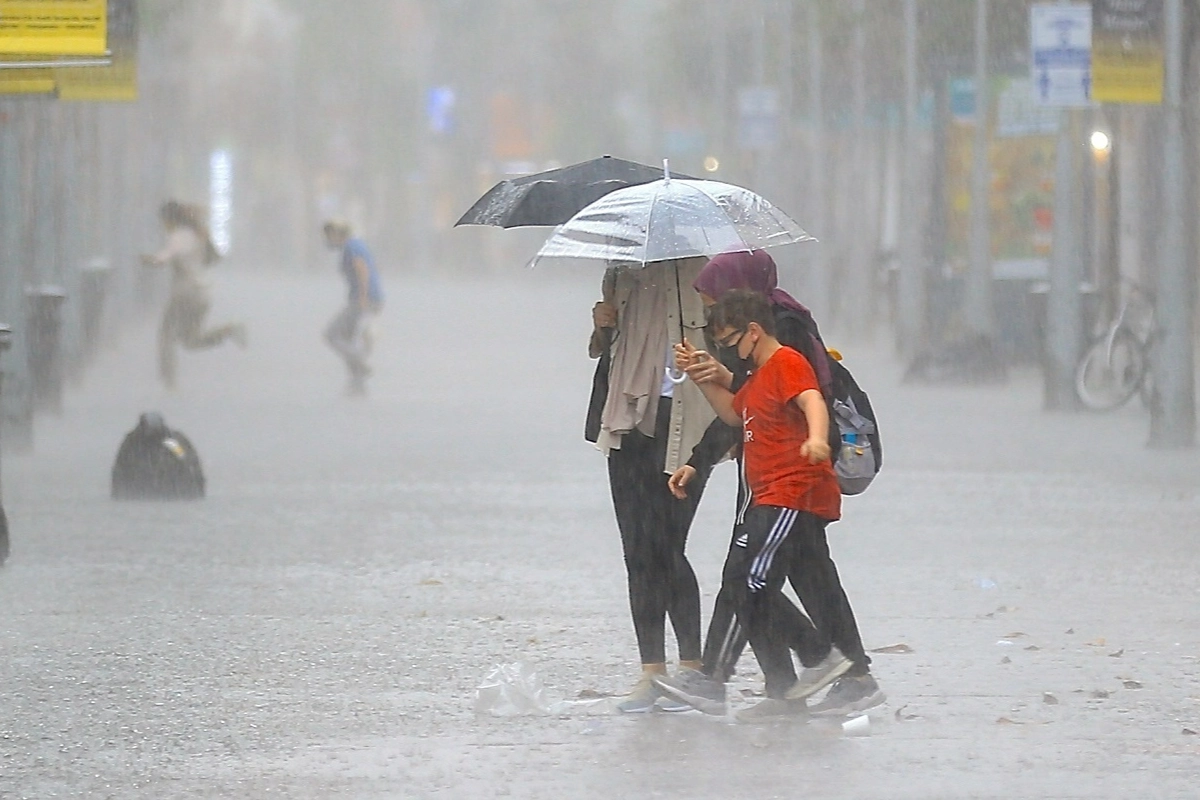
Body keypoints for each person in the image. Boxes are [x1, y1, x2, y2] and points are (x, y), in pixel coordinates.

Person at [656, 253, 883, 719]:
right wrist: (707, 391)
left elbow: (805, 398)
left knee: (746, 578)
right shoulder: (755, 349)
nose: (712, 321)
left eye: (715, 307)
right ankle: (808, 683)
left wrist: (817, 439)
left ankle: (789, 669)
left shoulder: (783, 340)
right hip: (774, 477)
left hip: (790, 479)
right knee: (805, 578)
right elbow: (740, 408)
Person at [586, 257, 716, 713]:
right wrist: (602, 325)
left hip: (686, 423)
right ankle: (651, 673)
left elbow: (729, 347)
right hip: (625, 420)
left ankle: (693, 668)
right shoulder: (619, 272)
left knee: (667, 546)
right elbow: (605, 350)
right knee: (637, 551)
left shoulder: (703, 273)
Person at [141, 200, 246, 389]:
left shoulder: (181, 235)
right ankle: (229, 330)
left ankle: (169, 381)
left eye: (163, 220)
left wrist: (147, 259)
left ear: (169, 219)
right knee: (190, 340)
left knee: (165, 336)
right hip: (201, 294)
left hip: (184, 294)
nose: (162, 225)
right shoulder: (197, 234)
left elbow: (165, 257)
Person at [322, 219, 384, 396]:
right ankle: (356, 378)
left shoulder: (351, 247)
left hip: (363, 300)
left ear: (336, 234)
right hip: (368, 298)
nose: (327, 240)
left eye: (328, 236)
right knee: (349, 337)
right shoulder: (355, 244)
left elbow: (361, 268)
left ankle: (360, 365)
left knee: (332, 334)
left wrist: (363, 296)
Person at [111, 412, 205, 501]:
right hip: (140, 492)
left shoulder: (171, 442)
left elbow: (185, 461)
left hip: (170, 492)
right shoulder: (132, 443)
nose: (151, 432)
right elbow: (121, 465)